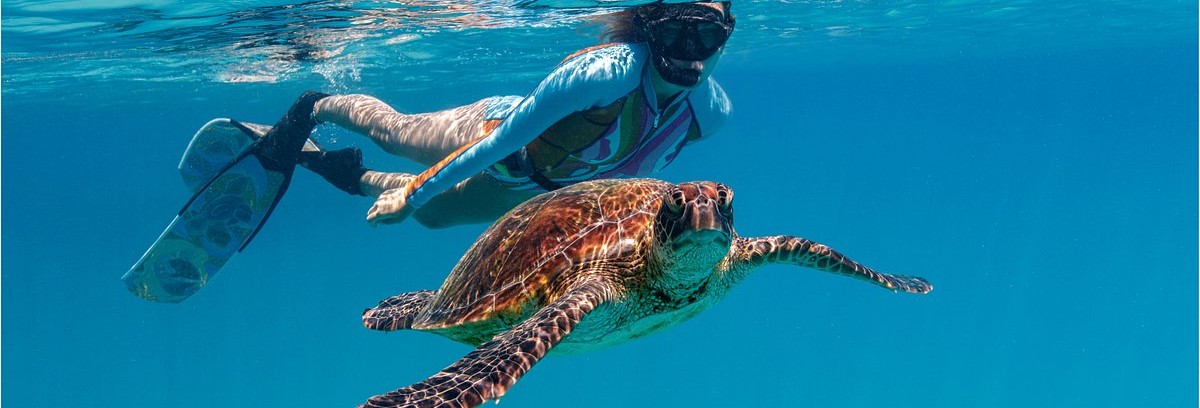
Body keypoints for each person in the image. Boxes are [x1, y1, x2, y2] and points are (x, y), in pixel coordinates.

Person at [274, 1, 735, 228]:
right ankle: (315, 105)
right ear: (652, 30)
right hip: (493, 135)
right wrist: (413, 193)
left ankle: (341, 169)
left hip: (531, 192)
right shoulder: (600, 76)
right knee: (395, 134)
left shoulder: (710, 116)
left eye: (707, 36)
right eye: (677, 33)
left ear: (725, 37)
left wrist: (414, 201)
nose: (690, 53)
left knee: (431, 218)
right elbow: (503, 141)